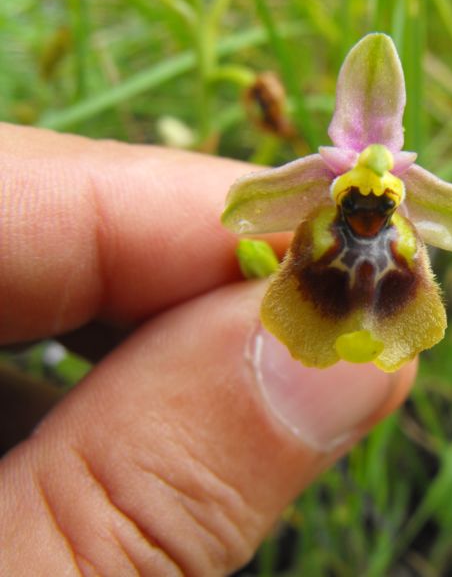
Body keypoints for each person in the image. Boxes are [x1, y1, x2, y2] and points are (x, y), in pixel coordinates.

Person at [0, 123, 416, 574]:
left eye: (381, 201)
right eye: (357, 198)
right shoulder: (319, 192)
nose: (368, 209)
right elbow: (248, 204)